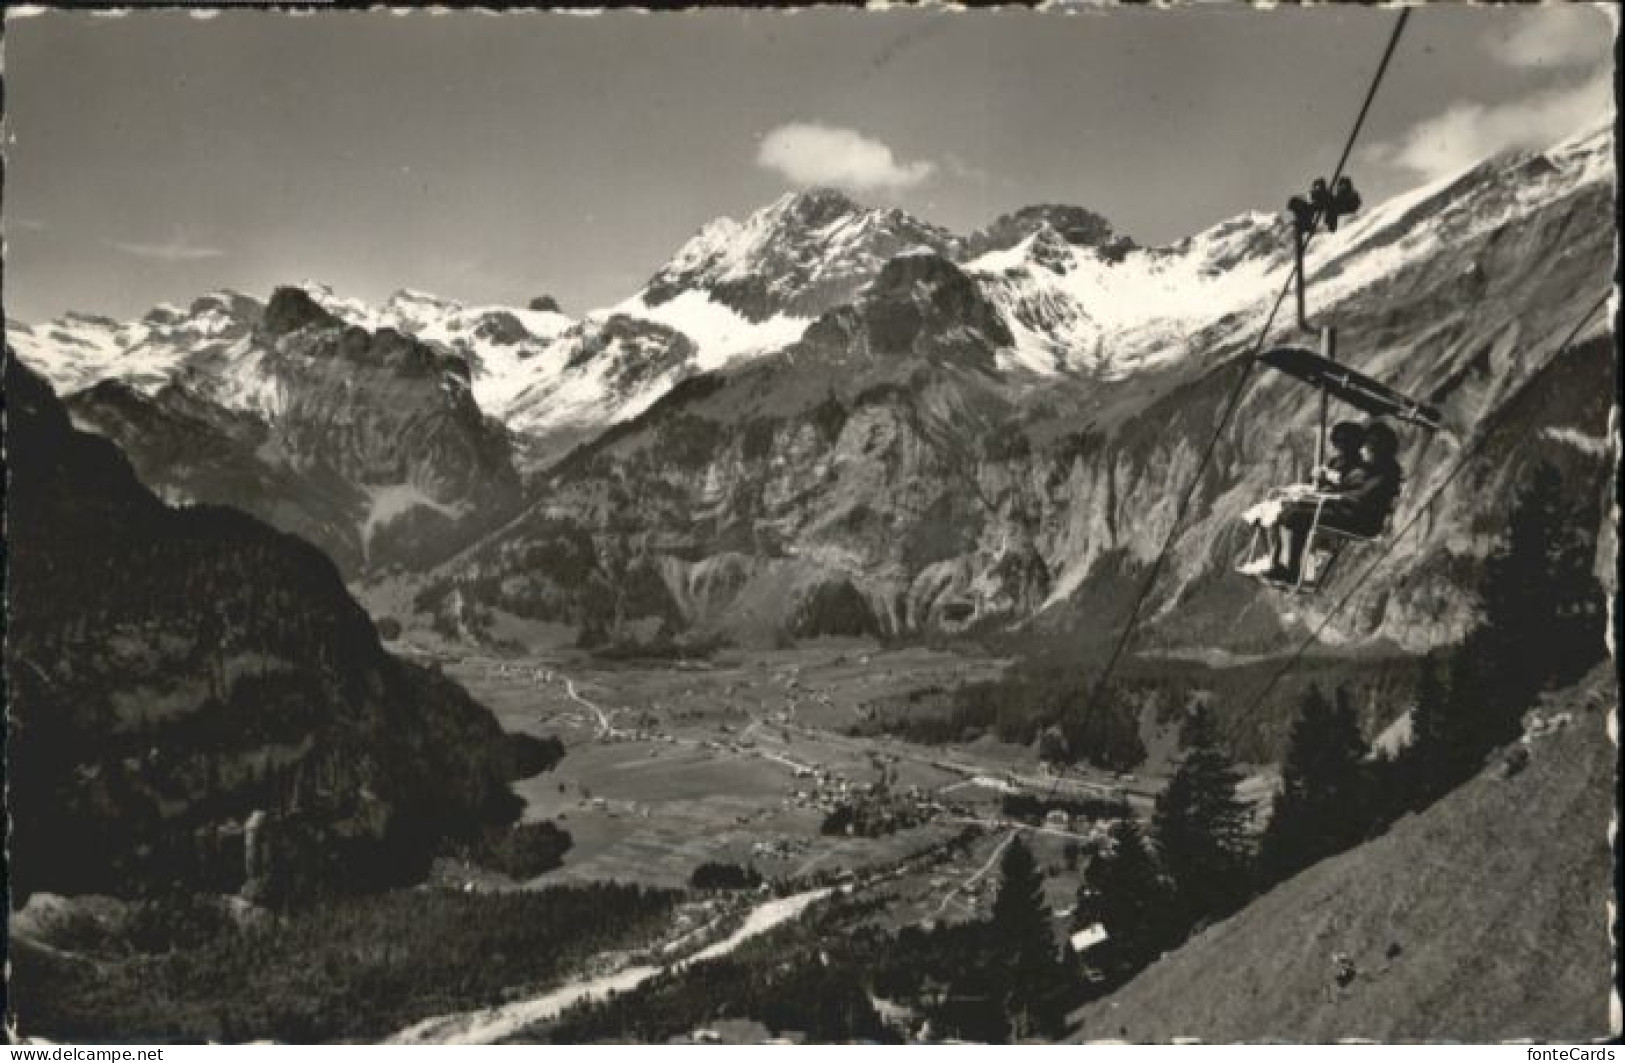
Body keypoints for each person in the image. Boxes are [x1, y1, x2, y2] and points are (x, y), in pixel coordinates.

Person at [1242, 422, 1403, 584]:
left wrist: (1332, 496)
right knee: (1289, 510)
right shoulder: (1372, 469)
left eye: (1366, 447)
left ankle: (1291, 570)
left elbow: (1359, 498)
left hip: (1359, 520)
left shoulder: (1384, 475)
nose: (1361, 450)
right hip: (1348, 512)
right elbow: (1348, 488)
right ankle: (1280, 564)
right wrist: (1329, 490)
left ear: (1378, 449)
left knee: (1296, 515)